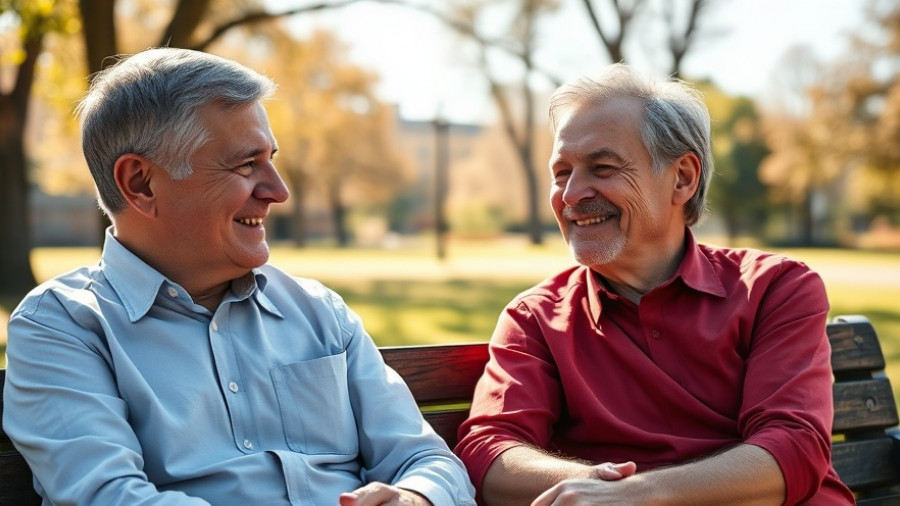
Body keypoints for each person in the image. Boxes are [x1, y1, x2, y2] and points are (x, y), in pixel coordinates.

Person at [3, 47, 475, 506]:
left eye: (272, 160)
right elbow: (107, 496)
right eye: (247, 164)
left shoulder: (318, 312)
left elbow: (426, 459)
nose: (278, 191)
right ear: (141, 183)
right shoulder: (63, 327)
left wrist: (413, 497)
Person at [454, 63, 855, 505]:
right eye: (562, 172)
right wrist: (597, 486)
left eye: (602, 167)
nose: (570, 194)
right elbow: (488, 454)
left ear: (682, 178)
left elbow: (794, 447)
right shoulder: (534, 318)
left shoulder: (775, 288)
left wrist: (636, 496)